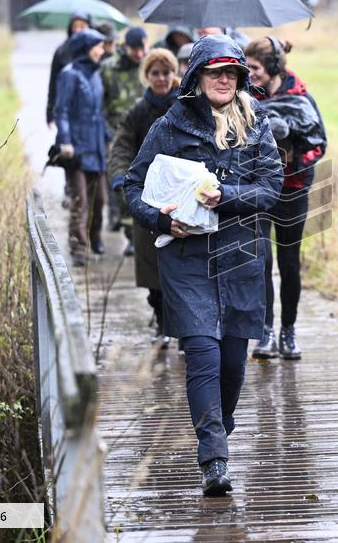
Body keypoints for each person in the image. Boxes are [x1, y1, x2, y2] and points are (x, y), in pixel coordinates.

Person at [124, 35, 283, 496]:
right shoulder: (168, 126)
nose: (224, 79)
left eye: (231, 72)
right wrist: (159, 218)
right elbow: (134, 185)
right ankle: (213, 458)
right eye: (215, 72)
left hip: (240, 254)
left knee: (234, 360)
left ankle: (220, 427)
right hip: (186, 255)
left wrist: (226, 197)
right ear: (196, 77)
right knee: (203, 353)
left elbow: (271, 187)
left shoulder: (256, 125)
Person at [244, 36, 326, 360]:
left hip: (292, 190)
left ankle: (288, 331)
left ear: (274, 67)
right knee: (260, 260)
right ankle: (264, 331)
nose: (249, 75)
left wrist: (293, 162)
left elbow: (319, 144)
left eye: (255, 68)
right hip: (257, 190)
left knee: (289, 264)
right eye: (246, 68)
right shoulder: (246, 96)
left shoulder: (301, 97)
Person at [107, 49, 181, 345]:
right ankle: (162, 322)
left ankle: (183, 326)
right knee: (151, 267)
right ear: (146, 77)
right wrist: (120, 178)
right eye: (155, 74)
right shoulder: (138, 111)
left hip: (180, 194)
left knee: (182, 263)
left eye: (166, 73)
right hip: (148, 198)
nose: (161, 79)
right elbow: (121, 146)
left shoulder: (184, 105)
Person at [54, 28, 110, 268]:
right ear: (86, 48)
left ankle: (94, 237)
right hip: (75, 149)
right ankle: (78, 247)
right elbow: (61, 110)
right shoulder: (70, 74)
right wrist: (65, 140)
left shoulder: (95, 75)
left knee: (100, 200)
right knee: (80, 200)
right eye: (98, 45)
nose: (102, 50)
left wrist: (108, 138)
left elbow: (99, 112)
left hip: (96, 146)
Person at [102, 26, 150, 246]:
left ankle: (140, 235)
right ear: (125, 47)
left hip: (147, 136)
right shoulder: (109, 69)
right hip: (118, 136)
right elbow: (98, 106)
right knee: (123, 186)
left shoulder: (150, 68)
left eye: (143, 49)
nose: (140, 54)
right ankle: (130, 235)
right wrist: (108, 135)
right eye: (135, 50)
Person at [46, 11, 92, 126]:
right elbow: (53, 82)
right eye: (75, 26)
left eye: (82, 26)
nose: (78, 30)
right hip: (66, 110)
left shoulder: (95, 51)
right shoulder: (61, 51)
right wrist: (50, 112)